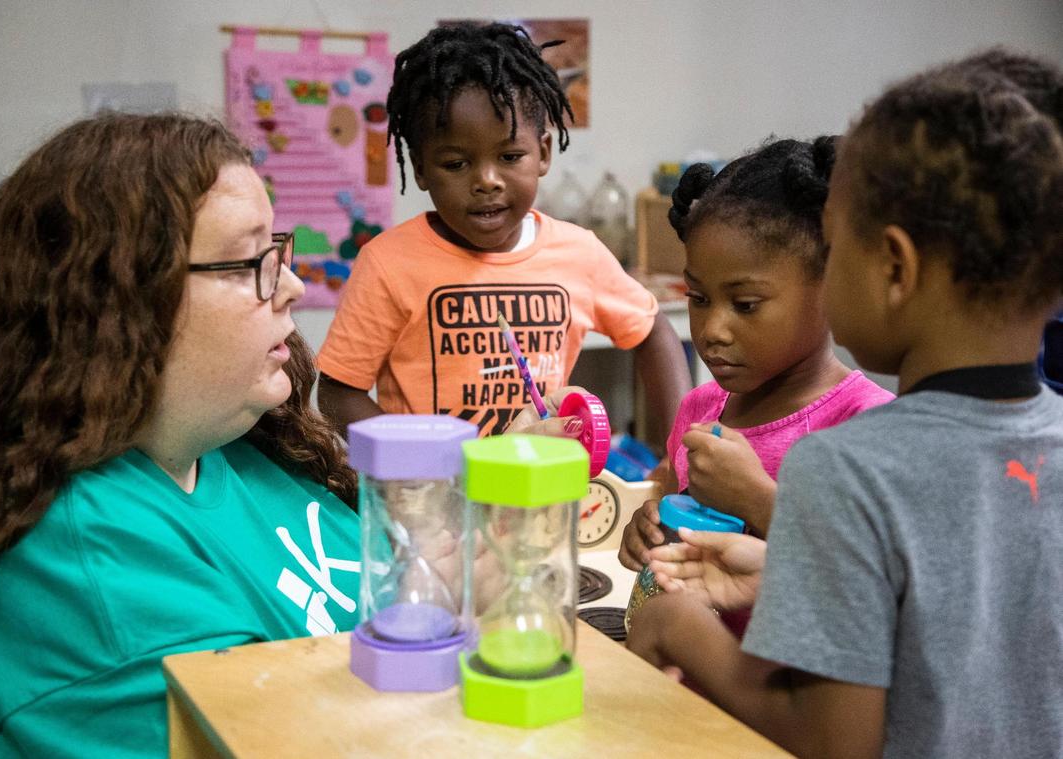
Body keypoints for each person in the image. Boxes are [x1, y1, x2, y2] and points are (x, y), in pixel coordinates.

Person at [627, 48, 1063, 758]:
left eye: (834, 242)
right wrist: (784, 564)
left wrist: (681, 627)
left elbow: (833, 740)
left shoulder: (846, 468)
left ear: (893, 267)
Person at [0, 113, 364, 757]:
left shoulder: (231, 441)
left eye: (281, 249)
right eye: (252, 262)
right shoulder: (82, 566)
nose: (294, 286)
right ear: (121, 299)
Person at [317, 22, 690, 438]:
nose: (487, 181)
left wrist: (680, 452)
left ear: (543, 154)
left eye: (511, 156)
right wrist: (427, 460)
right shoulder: (388, 264)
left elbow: (652, 329)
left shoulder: (579, 253)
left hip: (540, 493)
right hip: (437, 497)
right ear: (421, 169)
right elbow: (337, 393)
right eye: (457, 164)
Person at [617, 138, 893, 640]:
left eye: (745, 304)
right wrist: (650, 524)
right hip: (690, 689)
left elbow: (879, 585)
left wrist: (759, 500)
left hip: (781, 707)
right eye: (697, 298)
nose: (712, 329)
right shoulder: (701, 410)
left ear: (831, 287)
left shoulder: (869, 426)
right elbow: (678, 509)